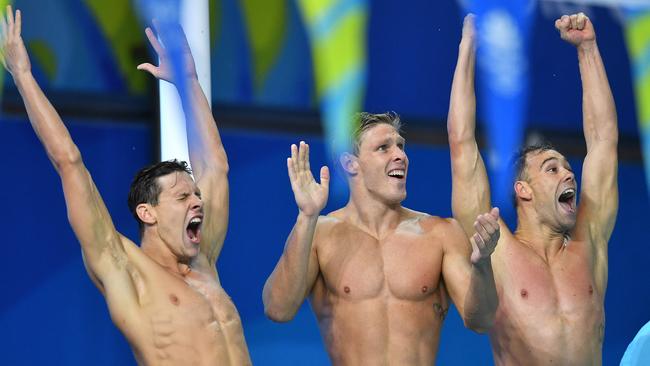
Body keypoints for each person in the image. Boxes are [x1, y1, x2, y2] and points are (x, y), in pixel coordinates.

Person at [0, 6, 250, 365]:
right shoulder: (123, 265)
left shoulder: (203, 260)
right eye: (182, 197)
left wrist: (188, 82)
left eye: (195, 194)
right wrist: (22, 74)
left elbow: (215, 165)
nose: (197, 201)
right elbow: (69, 161)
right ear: (147, 212)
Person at [447, 13, 617, 365]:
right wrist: (469, 46)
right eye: (552, 169)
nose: (569, 176)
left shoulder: (590, 241)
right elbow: (461, 142)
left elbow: (603, 141)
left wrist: (588, 48)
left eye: (569, 168)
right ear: (522, 189)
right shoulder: (498, 251)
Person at [263, 112, 500, 365]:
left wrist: (483, 265)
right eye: (383, 148)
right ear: (351, 163)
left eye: (400, 146)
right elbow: (278, 310)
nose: (400, 155)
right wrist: (306, 216)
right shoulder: (320, 234)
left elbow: (482, 321)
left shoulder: (440, 233)